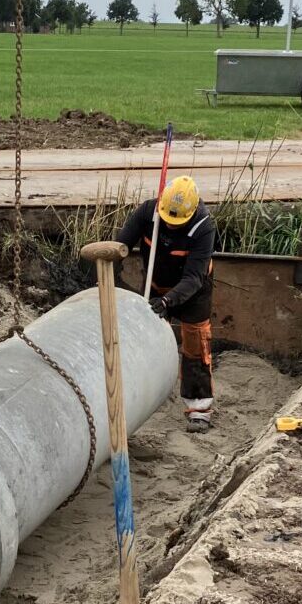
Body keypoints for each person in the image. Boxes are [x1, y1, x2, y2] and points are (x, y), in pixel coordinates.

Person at [116, 175, 216, 433]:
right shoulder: (149, 212)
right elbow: (121, 244)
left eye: (177, 223)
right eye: (168, 221)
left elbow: (194, 277)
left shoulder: (203, 227)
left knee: (195, 345)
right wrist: (109, 268)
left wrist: (168, 301)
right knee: (141, 339)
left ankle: (199, 409)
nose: (171, 226)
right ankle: (139, 399)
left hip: (193, 291)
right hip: (155, 282)